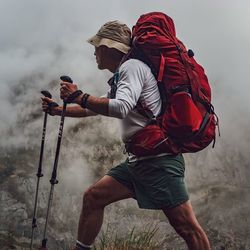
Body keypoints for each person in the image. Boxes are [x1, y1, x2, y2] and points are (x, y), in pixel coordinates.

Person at [42, 20, 211, 250]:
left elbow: (120, 107)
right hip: (139, 162)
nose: (94, 51)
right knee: (94, 197)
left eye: (97, 46)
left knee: (188, 229)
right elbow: (94, 107)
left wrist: (80, 95)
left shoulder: (132, 68)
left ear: (110, 47)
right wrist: (58, 110)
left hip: (159, 162)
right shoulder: (124, 72)